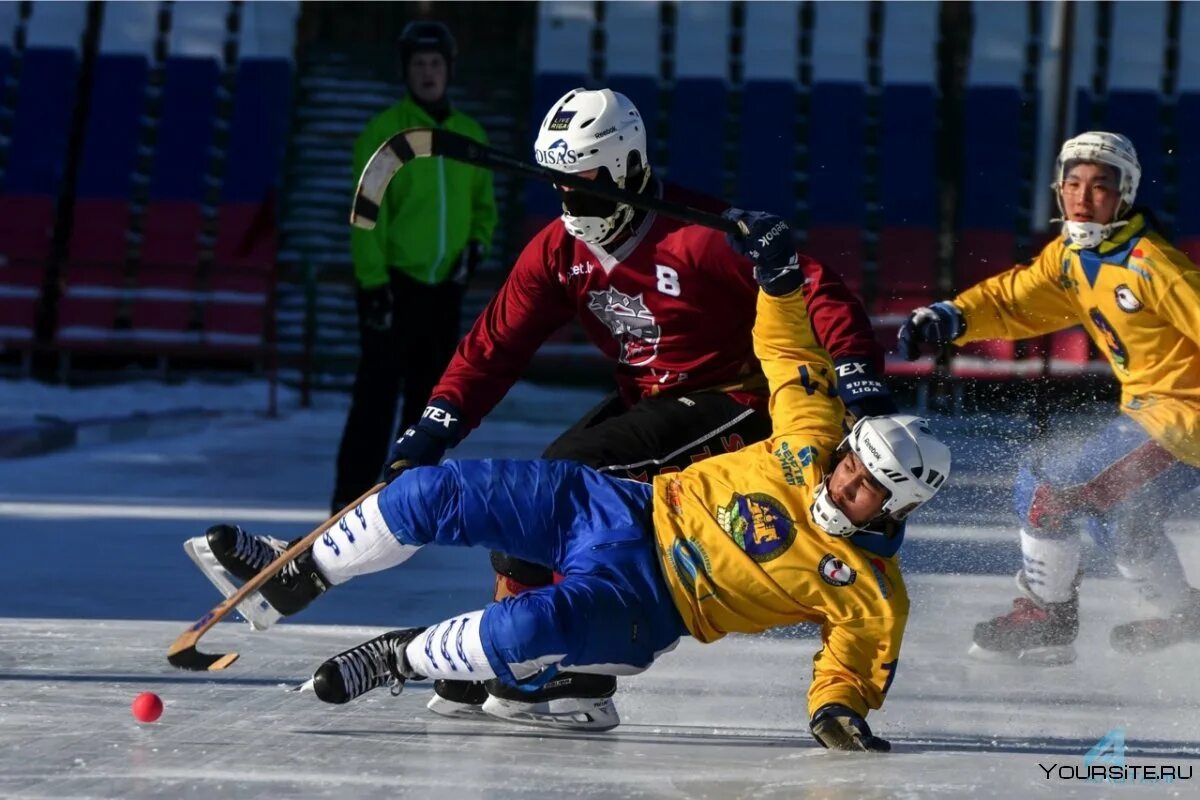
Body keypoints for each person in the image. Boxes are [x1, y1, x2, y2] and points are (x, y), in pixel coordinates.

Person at [191, 88, 896, 730]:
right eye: (557, 183)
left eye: (584, 187)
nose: (569, 204)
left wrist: (861, 383)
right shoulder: (561, 250)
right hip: (653, 402)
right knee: (527, 509)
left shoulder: (700, 236)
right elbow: (496, 342)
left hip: (739, 409)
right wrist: (438, 421)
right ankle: (349, 589)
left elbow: (817, 289)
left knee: (566, 478)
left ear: (626, 169)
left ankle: (537, 667)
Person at [898, 131, 1200, 664]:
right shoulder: (1070, 257)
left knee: (1050, 486)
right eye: (1073, 183)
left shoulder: (1153, 265)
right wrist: (954, 316)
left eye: (1101, 186)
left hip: (1181, 422)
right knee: (1123, 520)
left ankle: (1048, 614)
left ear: (1125, 194)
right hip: (1150, 417)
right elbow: (1017, 300)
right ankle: (1186, 614)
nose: (1083, 197)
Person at [330, 20, 497, 512]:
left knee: (427, 408)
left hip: (443, 290)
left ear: (448, 70)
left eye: (435, 64)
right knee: (374, 405)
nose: (428, 73)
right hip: (393, 289)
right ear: (406, 71)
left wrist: (476, 248)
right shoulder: (384, 133)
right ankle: (347, 506)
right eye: (419, 64)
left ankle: (406, 508)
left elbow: (484, 207)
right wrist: (372, 285)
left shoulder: (469, 135)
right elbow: (366, 219)